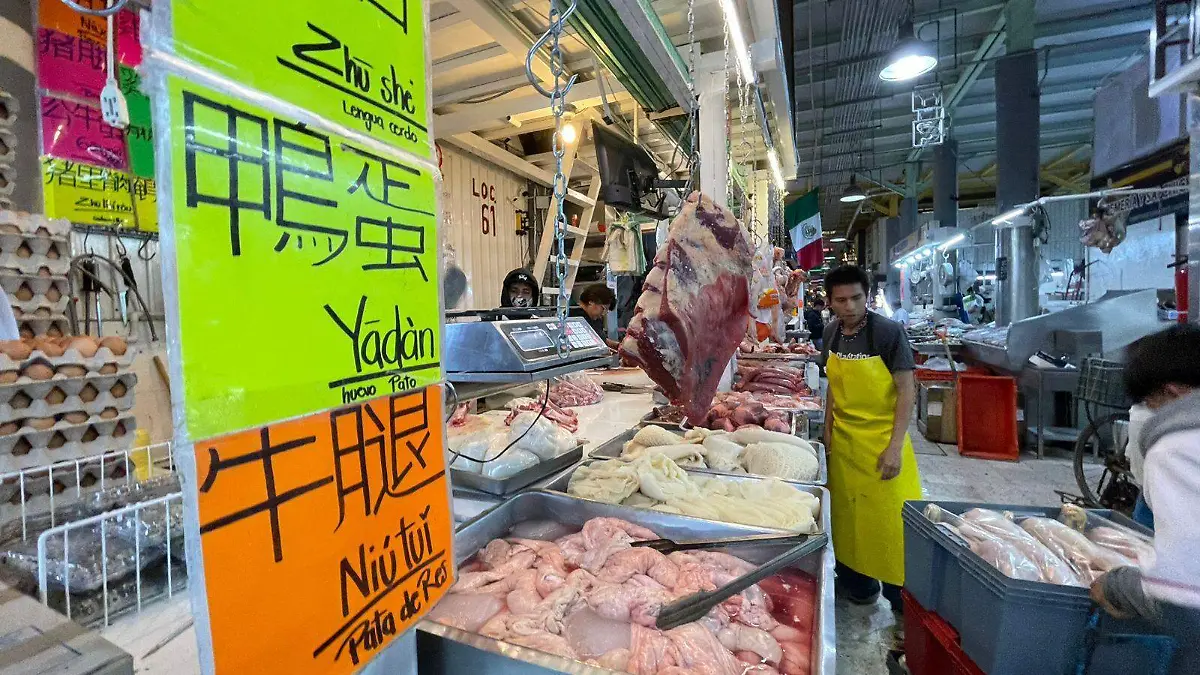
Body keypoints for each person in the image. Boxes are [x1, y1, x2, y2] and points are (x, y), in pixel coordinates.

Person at [1090, 325, 1200, 675]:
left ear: (1173, 392)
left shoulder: (1178, 448)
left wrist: (1118, 586)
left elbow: (1181, 585)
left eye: (1151, 405)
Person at [820, 265, 921, 614]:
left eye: (856, 298)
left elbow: (907, 390)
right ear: (830, 301)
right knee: (848, 524)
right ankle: (858, 587)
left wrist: (895, 447)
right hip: (846, 446)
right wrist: (828, 429)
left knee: (891, 528)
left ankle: (902, 602)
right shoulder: (831, 332)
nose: (849, 306)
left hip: (882, 444)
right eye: (841, 300)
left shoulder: (888, 332)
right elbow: (833, 383)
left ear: (867, 296)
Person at [577, 284, 620, 350]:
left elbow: (600, 339)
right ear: (591, 302)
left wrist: (619, 346)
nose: (603, 314)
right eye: (603, 308)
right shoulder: (573, 317)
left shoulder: (595, 318)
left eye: (606, 310)